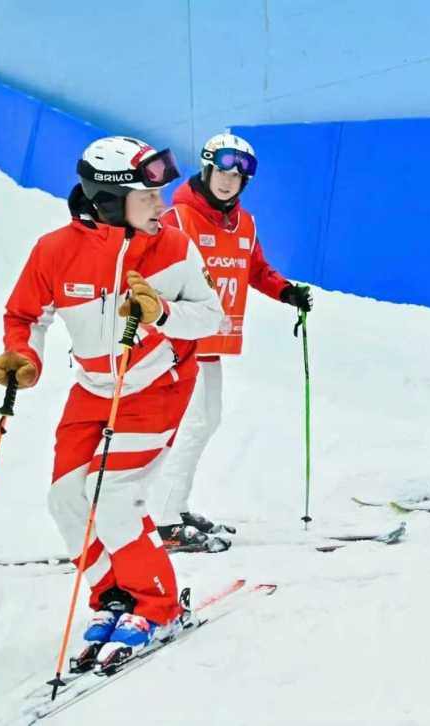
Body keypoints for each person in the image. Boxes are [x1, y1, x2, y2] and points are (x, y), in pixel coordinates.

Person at [0, 136, 224, 663]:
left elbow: (212, 317)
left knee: (112, 496)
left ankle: (159, 605)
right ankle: (115, 596)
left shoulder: (174, 248)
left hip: (156, 389)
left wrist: (163, 314)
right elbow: (25, 315)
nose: (161, 204)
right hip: (92, 389)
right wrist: (23, 355)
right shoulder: (55, 251)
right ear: (109, 201)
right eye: (147, 196)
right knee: (66, 499)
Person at [156, 133, 312, 550]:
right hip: (176, 343)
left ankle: (175, 507)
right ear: (207, 169)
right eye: (222, 172)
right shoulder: (178, 219)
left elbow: (255, 269)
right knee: (189, 425)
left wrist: (286, 292)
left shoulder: (245, 224)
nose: (228, 181)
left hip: (211, 342)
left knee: (205, 421)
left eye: (237, 177)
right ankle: (163, 521)